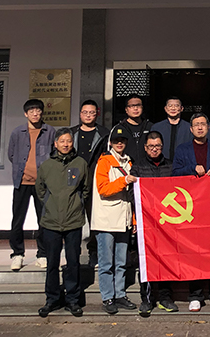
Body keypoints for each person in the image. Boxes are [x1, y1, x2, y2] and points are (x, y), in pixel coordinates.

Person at [171, 113, 210, 312]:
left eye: (203, 124)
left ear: (208, 127)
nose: (200, 127)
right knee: (193, 252)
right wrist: (192, 168)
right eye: (196, 125)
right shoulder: (182, 149)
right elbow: (174, 173)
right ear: (191, 129)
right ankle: (195, 295)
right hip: (190, 207)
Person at [35, 128, 90, 318]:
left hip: (73, 220)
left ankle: (73, 299)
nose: (66, 144)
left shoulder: (80, 163)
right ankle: (52, 299)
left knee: (73, 261)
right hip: (51, 221)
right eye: (62, 141)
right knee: (52, 262)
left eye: (69, 141)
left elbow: (86, 189)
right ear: (55, 144)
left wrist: (77, 204)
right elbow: (40, 190)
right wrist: (51, 205)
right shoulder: (46, 165)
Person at [130, 131, 178, 316]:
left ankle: (166, 298)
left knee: (167, 259)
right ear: (145, 147)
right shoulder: (138, 167)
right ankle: (147, 299)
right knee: (146, 260)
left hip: (167, 222)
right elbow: (132, 194)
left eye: (157, 146)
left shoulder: (171, 166)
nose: (154, 149)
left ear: (162, 146)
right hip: (147, 222)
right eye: (151, 146)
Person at [91, 125, 138, 315]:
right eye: (116, 141)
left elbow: (131, 197)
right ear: (110, 143)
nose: (119, 143)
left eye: (123, 140)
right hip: (106, 221)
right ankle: (107, 297)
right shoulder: (104, 161)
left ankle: (120, 294)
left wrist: (133, 220)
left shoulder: (129, 161)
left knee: (121, 262)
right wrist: (124, 181)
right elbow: (103, 189)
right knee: (106, 263)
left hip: (123, 220)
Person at [7, 98, 56, 271]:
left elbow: (54, 154)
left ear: (42, 112)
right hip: (21, 181)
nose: (35, 114)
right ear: (25, 114)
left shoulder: (50, 131)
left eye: (38, 110)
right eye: (31, 111)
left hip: (42, 184)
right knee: (17, 219)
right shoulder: (17, 132)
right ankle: (17, 254)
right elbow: (11, 155)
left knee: (43, 219)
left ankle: (42, 254)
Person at [70, 99, 109, 266]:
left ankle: (94, 252)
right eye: (85, 112)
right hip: (74, 182)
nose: (88, 115)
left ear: (97, 114)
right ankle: (73, 253)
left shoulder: (104, 133)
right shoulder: (72, 133)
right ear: (80, 114)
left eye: (92, 112)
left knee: (95, 219)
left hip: (95, 181)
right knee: (73, 219)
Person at [151, 96, 189, 162]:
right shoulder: (156, 127)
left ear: (181, 108)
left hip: (183, 164)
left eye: (176, 105)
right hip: (161, 164)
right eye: (170, 105)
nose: (173, 108)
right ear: (165, 108)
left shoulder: (189, 128)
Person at [116, 94, 154, 161]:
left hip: (147, 165)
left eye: (138, 105)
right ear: (126, 109)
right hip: (126, 165)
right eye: (132, 106)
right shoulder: (119, 128)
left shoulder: (150, 127)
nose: (135, 108)